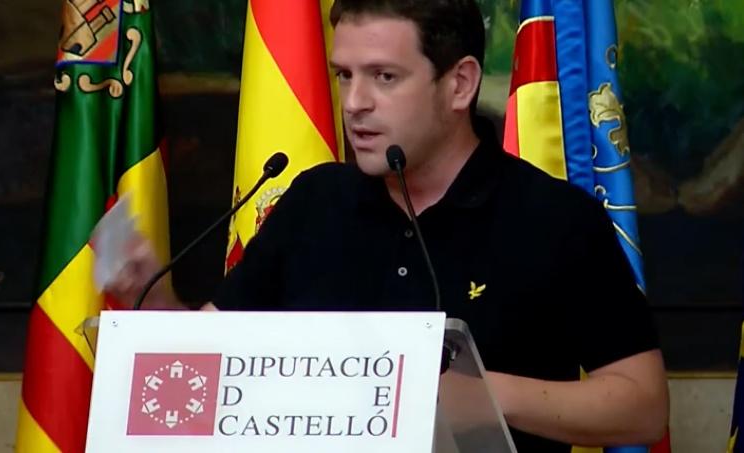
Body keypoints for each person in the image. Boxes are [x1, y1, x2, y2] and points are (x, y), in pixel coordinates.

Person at [105, 0, 669, 451]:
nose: (354, 103)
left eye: (384, 77)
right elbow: (213, 360)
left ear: (460, 84)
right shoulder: (313, 201)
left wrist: (487, 396)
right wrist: (155, 306)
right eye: (344, 75)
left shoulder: (553, 218)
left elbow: (642, 407)